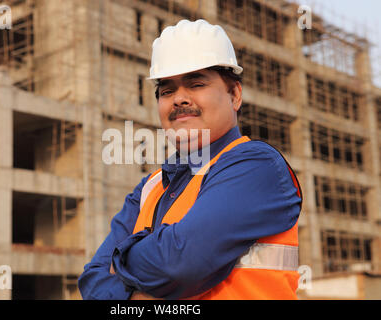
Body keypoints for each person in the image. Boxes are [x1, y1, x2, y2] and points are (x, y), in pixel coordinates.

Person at [78, 19, 302, 300]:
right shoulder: (150, 187)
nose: (179, 99)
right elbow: (92, 281)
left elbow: (178, 263)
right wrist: (137, 293)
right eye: (167, 90)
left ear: (235, 94)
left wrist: (122, 261)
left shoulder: (257, 167)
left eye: (196, 84)